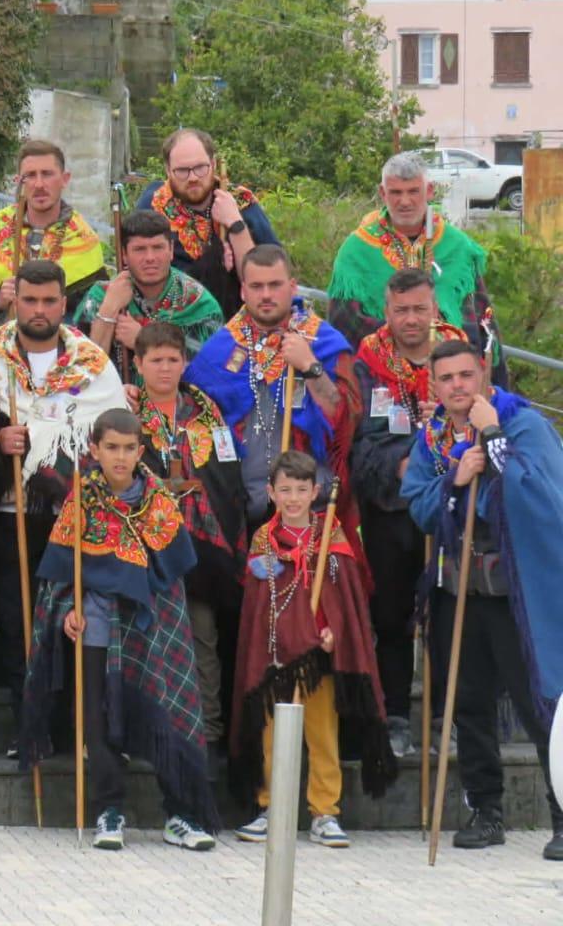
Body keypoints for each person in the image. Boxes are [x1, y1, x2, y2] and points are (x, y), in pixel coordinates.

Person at [22, 408, 218, 852]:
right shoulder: (80, 502)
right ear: (94, 449)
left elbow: (173, 573)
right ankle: (109, 810)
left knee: (168, 714)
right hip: (97, 627)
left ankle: (180, 814)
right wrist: (68, 609)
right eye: (111, 447)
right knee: (99, 720)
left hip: (153, 628)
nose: (120, 457)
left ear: (140, 451)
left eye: (129, 448)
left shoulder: (160, 503)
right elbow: (60, 574)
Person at [400, 340, 563, 859]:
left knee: (541, 704)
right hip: (458, 587)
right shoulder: (432, 438)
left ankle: (562, 815)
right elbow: (422, 508)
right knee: (466, 704)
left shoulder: (523, 425)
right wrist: (456, 477)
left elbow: (539, 494)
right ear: (434, 384)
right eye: (445, 378)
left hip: (517, 593)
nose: (457, 386)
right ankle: (486, 811)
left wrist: (492, 440)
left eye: (465, 375)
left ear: (484, 372)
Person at [0, 259, 126, 729]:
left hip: (69, 516)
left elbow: (110, 430)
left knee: (69, 623)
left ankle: (68, 729)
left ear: (64, 303)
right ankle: (27, 728)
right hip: (6, 513)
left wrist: (46, 452)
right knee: (17, 625)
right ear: (15, 302)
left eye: (48, 301)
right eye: (30, 301)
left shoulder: (92, 363)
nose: (39, 310)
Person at [230, 450, 394, 850]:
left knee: (322, 733)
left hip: (318, 657)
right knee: (271, 737)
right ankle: (271, 807)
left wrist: (334, 632)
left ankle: (325, 811)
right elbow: (259, 604)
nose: (292, 498)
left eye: (301, 490)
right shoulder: (263, 540)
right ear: (270, 492)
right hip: (275, 657)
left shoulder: (331, 538)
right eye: (284, 490)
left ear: (315, 492)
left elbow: (345, 600)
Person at [349, 267, 464, 757]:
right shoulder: (367, 361)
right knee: (391, 615)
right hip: (391, 511)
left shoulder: (460, 357)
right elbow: (358, 443)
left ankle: (448, 718)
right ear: (387, 309)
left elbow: (487, 417)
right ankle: (395, 713)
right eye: (401, 310)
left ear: (434, 308)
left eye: (420, 308)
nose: (411, 319)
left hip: (453, 509)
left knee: (447, 614)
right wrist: (403, 466)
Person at [130, 322, 247, 750]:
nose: (164, 368)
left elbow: (226, 482)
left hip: (200, 552)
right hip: (142, 551)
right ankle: (144, 731)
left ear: (185, 363)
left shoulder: (207, 416)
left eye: (173, 359)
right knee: (142, 638)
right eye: (155, 360)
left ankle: (206, 732)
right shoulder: (127, 416)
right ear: (139, 364)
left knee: (202, 640)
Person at [186, 245, 361, 530]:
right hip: (242, 509)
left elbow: (346, 420)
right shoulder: (220, 349)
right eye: (257, 286)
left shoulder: (324, 341)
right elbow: (192, 420)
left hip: (310, 505)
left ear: (292, 287)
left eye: (275, 285)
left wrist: (311, 367)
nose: (266, 295)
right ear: (243, 291)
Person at [327, 151, 505, 383]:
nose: (405, 201)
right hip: (379, 380)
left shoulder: (458, 247)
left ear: (429, 191)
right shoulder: (355, 251)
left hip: (452, 380)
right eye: (396, 192)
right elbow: (344, 324)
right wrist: (409, 343)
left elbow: (480, 319)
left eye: (413, 191)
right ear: (383, 193)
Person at [0, 139, 106, 351]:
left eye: (47, 174)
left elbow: (92, 316)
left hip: (59, 363)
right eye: (30, 176)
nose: (39, 184)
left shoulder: (83, 238)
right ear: (19, 181)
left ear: (65, 178)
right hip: (1, 359)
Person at [137, 128, 278, 319]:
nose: (193, 177)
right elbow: (142, 275)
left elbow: (271, 274)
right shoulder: (154, 206)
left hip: (238, 324)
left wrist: (236, 224)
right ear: (168, 170)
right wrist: (212, 263)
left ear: (213, 164)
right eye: (182, 171)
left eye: (200, 167)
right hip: (174, 324)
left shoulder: (241, 203)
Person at [73, 208, 223, 368]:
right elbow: (83, 369)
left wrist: (143, 340)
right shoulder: (102, 295)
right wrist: (109, 310)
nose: (150, 258)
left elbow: (210, 371)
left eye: (158, 247)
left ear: (171, 250)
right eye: (140, 249)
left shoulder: (197, 302)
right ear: (124, 254)